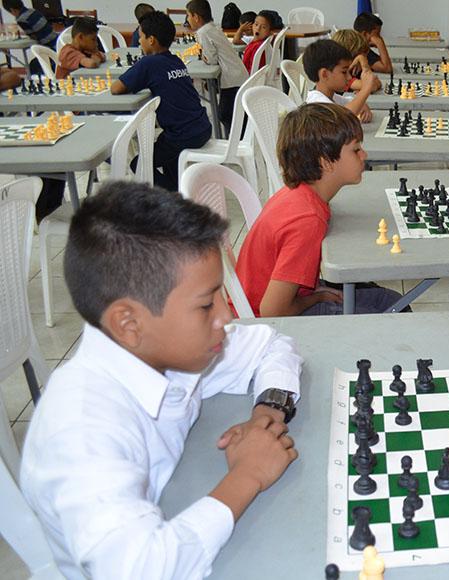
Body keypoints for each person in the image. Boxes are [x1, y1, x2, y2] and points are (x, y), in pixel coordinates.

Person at [20, 181, 303, 578]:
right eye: (206, 304)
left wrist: (266, 413)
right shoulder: (81, 429)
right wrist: (247, 476)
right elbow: (141, 568)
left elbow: (270, 344)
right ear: (128, 323)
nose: (225, 315)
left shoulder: (163, 348)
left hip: (174, 505)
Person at [235, 103, 403, 316]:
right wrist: (316, 297)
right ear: (326, 163)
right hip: (265, 321)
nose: (364, 155)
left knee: (392, 302)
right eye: (356, 150)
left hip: (283, 297)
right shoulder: (307, 220)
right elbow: (272, 310)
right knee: (393, 316)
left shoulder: (299, 192)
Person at [111, 11, 212, 191]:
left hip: (183, 135)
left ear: (151, 40)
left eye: (141, 37)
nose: (139, 41)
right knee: (166, 149)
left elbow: (116, 88)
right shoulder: (176, 60)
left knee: (138, 164)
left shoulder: (148, 63)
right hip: (201, 126)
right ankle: (179, 190)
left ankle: (175, 197)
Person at [186, 0, 249, 133]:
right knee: (233, 113)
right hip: (238, 73)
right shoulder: (213, 27)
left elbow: (212, 59)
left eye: (188, 15)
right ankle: (238, 137)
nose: (187, 19)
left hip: (231, 79)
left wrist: (205, 58)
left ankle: (237, 139)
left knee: (226, 114)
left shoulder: (203, 32)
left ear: (196, 17)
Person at [302, 39, 374, 123]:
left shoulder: (332, 97)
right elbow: (342, 118)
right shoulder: (316, 103)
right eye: (344, 72)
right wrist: (365, 89)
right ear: (325, 74)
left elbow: (352, 103)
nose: (349, 77)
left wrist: (362, 104)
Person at [1, 0, 57, 76]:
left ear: (12, 10)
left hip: (49, 48)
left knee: (33, 66)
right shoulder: (33, 11)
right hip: (56, 43)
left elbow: (33, 37)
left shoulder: (21, 19)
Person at [330, 28, 381, 93]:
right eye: (364, 57)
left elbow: (377, 83)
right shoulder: (342, 75)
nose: (366, 60)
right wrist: (364, 63)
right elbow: (372, 85)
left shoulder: (354, 71)